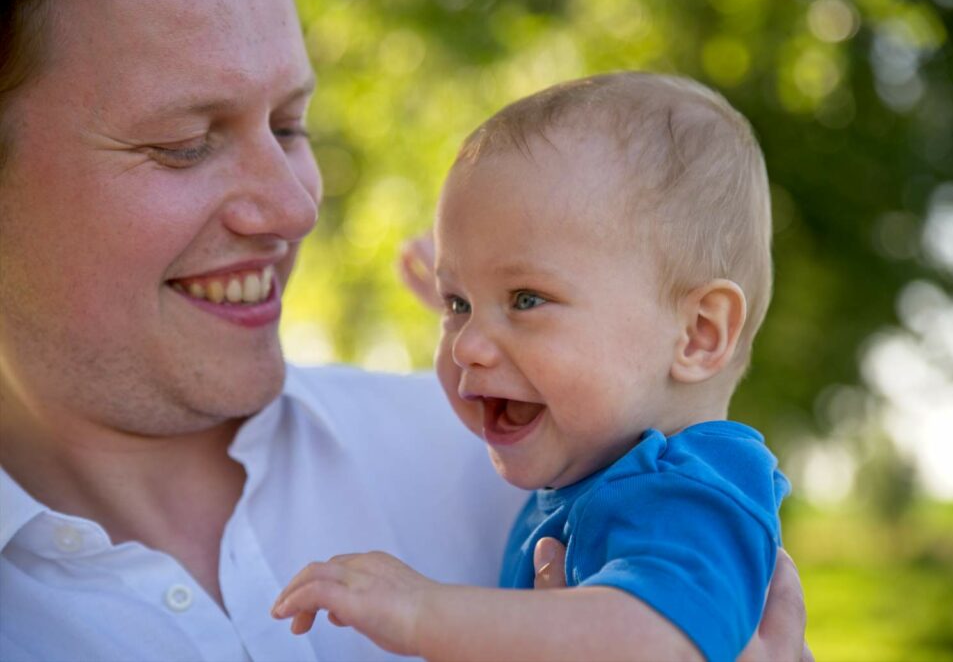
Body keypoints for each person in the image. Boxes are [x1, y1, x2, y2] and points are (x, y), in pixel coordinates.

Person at [0, 0, 808, 660]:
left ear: (701, 333)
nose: (295, 207)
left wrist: (427, 613)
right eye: (183, 144)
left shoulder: (598, 468)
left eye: (290, 127)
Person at [273, 72, 790, 662]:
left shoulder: (697, 489)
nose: (468, 346)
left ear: (698, 334)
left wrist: (422, 611)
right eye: (457, 305)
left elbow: (658, 640)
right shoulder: (602, 469)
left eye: (526, 299)